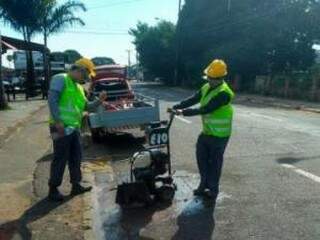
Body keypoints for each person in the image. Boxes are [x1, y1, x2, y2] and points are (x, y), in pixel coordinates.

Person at [172, 59, 234, 200]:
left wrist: (183, 112)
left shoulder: (225, 93)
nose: (209, 80)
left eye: (212, 78)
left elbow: (206, 109)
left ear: (220, 78)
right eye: (209, 77)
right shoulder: (206, 87)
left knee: (215, 163)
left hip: (220, 135)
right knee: (202, 159)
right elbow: (194, 98)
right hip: (207, 132)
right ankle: (203, 184)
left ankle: (213, 189)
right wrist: (178, 106)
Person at [47, 58, 107, 201]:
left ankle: (76, 185)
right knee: (60, 158)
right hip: (59, 127)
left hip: (74, 127)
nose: (85, 78)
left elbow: (87, 107)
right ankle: (53, 189)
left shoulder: (79, 88)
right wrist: (58, 121)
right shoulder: (61, 79)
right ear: (79, 70)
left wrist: (99, 100)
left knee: (76, 157)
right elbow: (52, 100)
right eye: (85, 75)